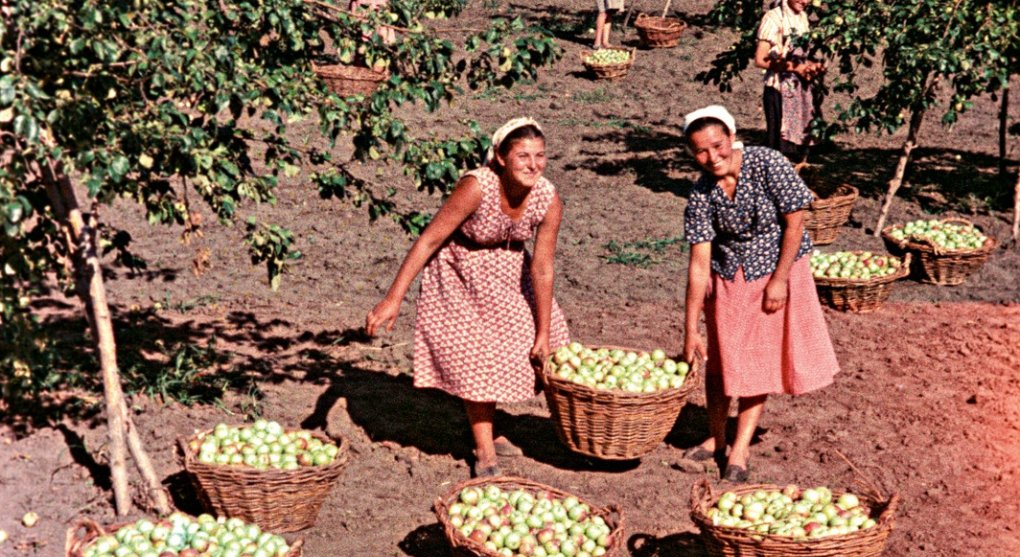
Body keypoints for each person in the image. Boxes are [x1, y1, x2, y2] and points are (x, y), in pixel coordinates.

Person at [365, 117, 570, 478]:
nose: (533, 165)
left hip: (510, 269)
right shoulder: (477, 187)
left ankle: (493, 424)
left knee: (547, 341)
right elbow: (429, 239)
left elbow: (542, 268)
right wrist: (393, 298)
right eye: (523, 156)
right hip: (460, 268)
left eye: (540, 156)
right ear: (502, 158)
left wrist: (542, 331)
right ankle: (484, 447)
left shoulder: (547, 198)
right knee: (480, 353)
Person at [680, 105, 839, 482]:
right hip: (729, 274)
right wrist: (689, 328)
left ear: (731, 137)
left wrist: (780, 279)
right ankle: (716, 439)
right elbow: (699, 262)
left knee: (756, 362)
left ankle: (739, 450)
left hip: (776, 268)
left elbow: (795, 222)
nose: (712, 157)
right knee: (719, 363)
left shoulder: (767, 162)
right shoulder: (702, 192)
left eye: (717, 145)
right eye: (700, 151)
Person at [754, 0, 825, 161]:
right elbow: (760, 59)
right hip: (779, 90)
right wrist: (795, 68)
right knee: (779, 148)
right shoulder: (774, 18)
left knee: (799, 145)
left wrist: (811, 66)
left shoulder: (802, 17)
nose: (805, 1)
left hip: (799, 90)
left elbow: (800, 56)